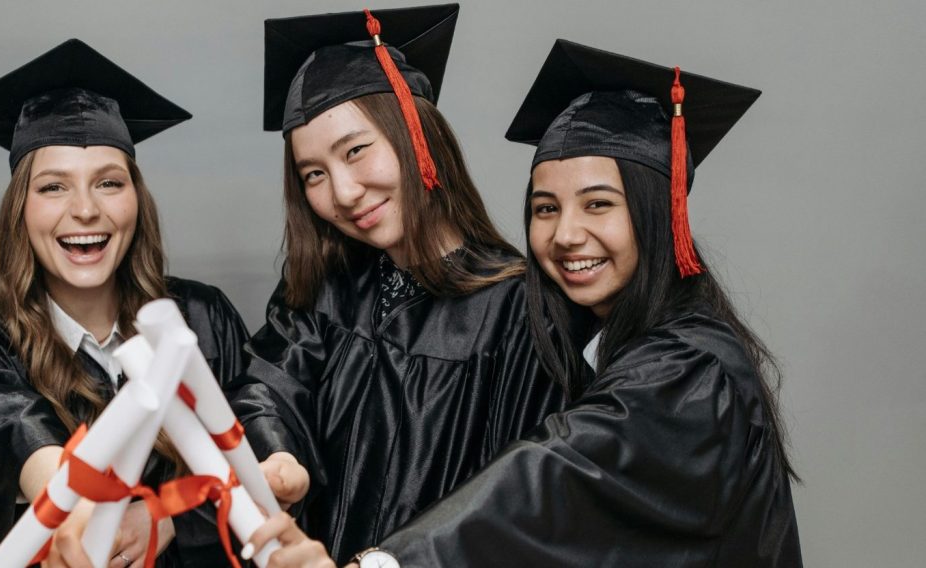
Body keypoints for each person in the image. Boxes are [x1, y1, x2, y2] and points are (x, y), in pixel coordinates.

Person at [255, 39, 804, 568]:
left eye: (598, 204)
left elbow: (549, 480)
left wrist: (383, 563)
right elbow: (268, 384)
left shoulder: (684, 366)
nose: (567, 234)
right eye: (546, 208)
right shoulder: (326, 292)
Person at [225, 5, 565, 563]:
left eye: (356, 150)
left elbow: (519, 504)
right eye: (313, 174)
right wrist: (276, 455)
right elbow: (265, 389)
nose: (343, 192)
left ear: (418, 136)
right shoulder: (324, 291)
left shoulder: (520, 309)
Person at [0, 39, 249, 567]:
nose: (85, 209)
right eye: (53, 187)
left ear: (136, 200)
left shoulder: (200, 318)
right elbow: (11, 428)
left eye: (108, 182)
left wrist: (168, 517)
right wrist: (76, 510)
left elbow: (248, 460)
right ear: (21, 212)